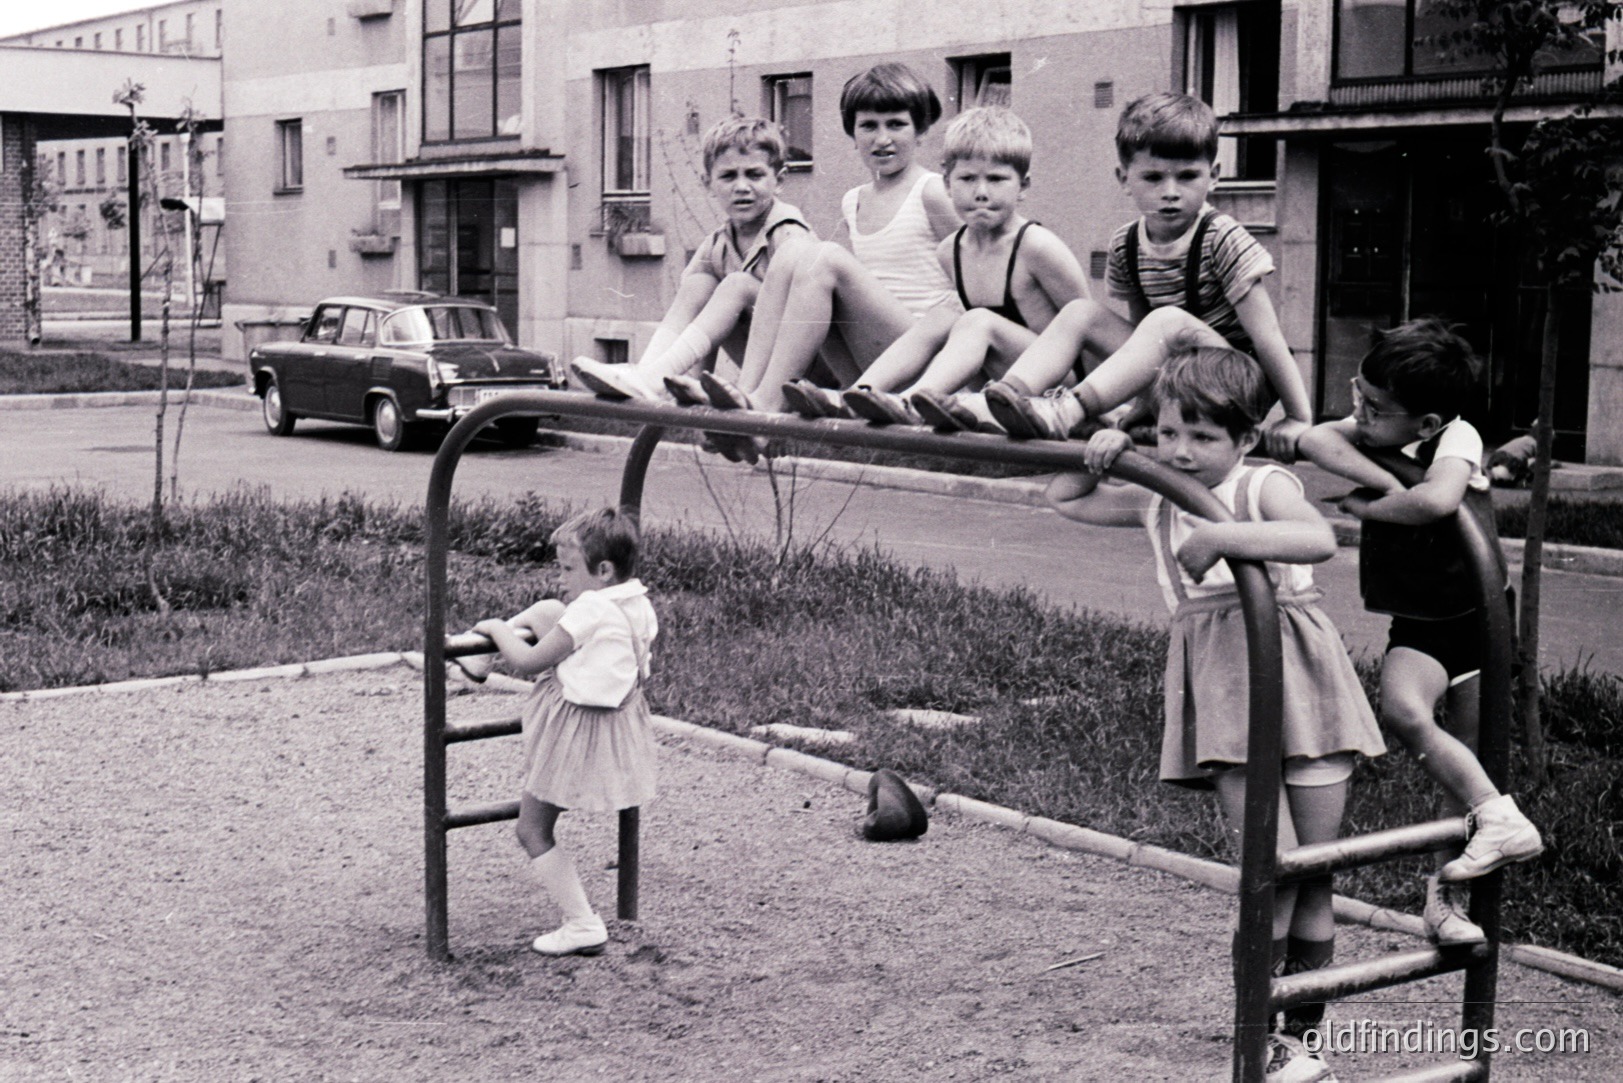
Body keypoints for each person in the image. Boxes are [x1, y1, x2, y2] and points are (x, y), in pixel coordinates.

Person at [1048, 345, 1384, 1077]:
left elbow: (1316, 538)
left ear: (1244, 440)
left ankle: (1304, 1037)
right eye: (1168, 432)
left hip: (1301, 674)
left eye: (1202, 437)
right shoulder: (1155, 490)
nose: (1181, 451)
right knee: (1270, 864)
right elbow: (1065, 497)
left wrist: (1220, 536)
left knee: (1314, 869)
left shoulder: (1259, 485)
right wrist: (1104, 445)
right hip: (1226, 687)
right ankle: (1256, 1031)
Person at [1297, 318, 1543, 947]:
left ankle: (1448, 899)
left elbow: (1436, 502)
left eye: (1373, 406)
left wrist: (1370, 507)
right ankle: (1498, 814)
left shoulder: (1456, 438)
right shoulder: (1382, 428)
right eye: (1358, 393)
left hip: (1477, 618)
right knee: (1404, 712)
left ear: (1426, 423)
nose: (1358, 411)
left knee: (1462, 760)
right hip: (1422, 620)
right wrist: (1383, 473)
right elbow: (1315, 438)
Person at [939, 93, 1310, 456]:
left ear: (1213, 176)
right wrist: (1141, 409)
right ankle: (1007, 397)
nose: (1170, 192)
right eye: (1152, 177)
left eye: (1187, 177)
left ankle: (1065, 410)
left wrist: (1296, 416)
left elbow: (1269, 337)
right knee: (1082, 311)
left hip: (1237, 380)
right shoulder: (1126, 244)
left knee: (1167, 321)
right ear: (1124, 178)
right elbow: (1139, 343)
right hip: (1182, 375)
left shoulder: (1222, 237)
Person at [777, 106, 1089, 428]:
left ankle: (909, 402)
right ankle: (858, 394)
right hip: (998, 385)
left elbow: (1086, 329)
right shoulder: (950, 251)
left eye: (996, 179)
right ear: (948, 184)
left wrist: (1096, 409)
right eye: (967, 179)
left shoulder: (1037, 245)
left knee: (978, 321)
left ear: (1022, 186)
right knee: (943, 315)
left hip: (1056, 387)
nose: (981, 193)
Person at [689, 62, 959, 418]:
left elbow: (973, 277)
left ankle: (768, 403)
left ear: (921, 130)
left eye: (896, 124)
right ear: (853, 134)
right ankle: (748, 395)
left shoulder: (933, 191)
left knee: (825, 258)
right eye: (868, 126)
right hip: (873, 363)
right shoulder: (854, 200)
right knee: (794, 254)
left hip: (926, 360)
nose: (882, 139)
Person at [465, 507, 659, 958]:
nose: (561, 576)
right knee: (548, 609)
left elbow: (529, 663)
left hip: (575, 730)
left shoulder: (591, 607)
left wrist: (495, 629)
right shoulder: (638, 603)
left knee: (532, 829)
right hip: (615, 723)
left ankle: (581, 923)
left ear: (603, 570)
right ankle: (476, 661)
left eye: (569, 568)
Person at [570, 116, 815, 405]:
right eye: (728, 176)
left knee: (736, 285)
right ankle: (648, 375)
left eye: (754, 174)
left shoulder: (788, 232)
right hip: (762, 360)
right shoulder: (720, 242)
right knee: (699, 284)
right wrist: (696, 387)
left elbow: (809, 315)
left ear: (779, 180)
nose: (741, 186)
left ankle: (651, 378)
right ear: (707, 182)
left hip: (804, 365)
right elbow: (697, 310)